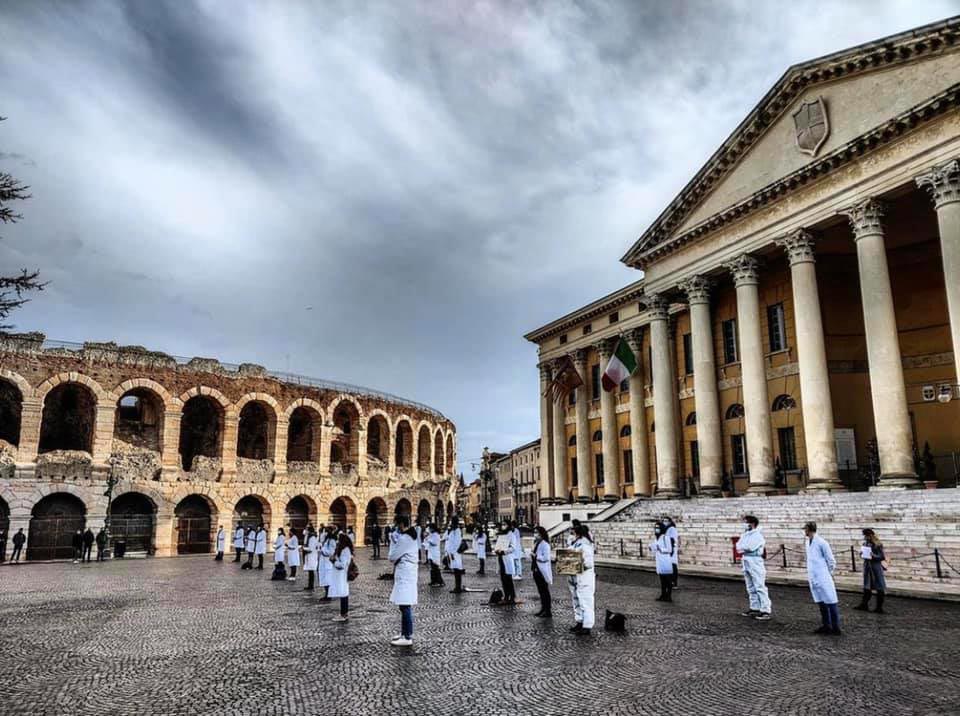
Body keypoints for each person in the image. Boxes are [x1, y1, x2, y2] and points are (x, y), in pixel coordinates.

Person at [804, 522, 840, 636]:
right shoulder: (807, 542)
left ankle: (836, 627)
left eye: (805, 529)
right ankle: (826, 625)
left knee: (831, 601)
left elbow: (831, 560)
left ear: (809, 529)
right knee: (821, 601)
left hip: (823, 576)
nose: (804, 531)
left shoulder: (822, 543)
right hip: (813, 576)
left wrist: (827, 573)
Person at [388, 520, 419, 646]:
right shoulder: (409, 537)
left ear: (402, 525)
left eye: (397, 525)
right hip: (407, 574)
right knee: (403, 605)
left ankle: (407, 636)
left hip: (405, 574)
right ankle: (404, 633)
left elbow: (392, 556)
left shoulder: (405, 538)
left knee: (405, 605)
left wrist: (392, 542)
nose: (396, 527)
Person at [735, 515, 771, 621]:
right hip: (746, 560)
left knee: (759, 586)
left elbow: (750, 547)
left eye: (745, 522)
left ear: (752, 524)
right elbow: (738, 547)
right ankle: (754, 607)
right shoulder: (745, 535)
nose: (744, 524)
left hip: (755, 561)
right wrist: (743, 548)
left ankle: (765, 610)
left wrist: (743, 548)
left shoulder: (758, 536)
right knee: (750, 586)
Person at [570, 523, 595, 635]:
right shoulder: (576, 543)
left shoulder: (585, 544)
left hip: (584, 577)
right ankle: (579, 621)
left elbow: (588, 563)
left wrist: (576, 566)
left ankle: (587, 625)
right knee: (577, 601)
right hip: (575, 577)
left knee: (586, 602)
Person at [856, 528, 887, 614]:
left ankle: (879, 607)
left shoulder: (877, 544)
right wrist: (862, 554)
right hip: (867, 567)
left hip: (875, 568)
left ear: (870, 535)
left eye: (866, 536)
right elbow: (864, 555)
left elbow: (882, 556)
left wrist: (874, 556)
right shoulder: (865, 543)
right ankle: (864, 604)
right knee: (867, 586)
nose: (865, 538)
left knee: (879, 587)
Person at [329, 532, 353, 622]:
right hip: (341, 575)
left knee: (343, 593)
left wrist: (334, 561)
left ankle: (344, 614)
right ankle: (344, 613)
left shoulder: (345, 550)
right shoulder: (344, 549)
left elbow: (342, 564)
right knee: (343, 593)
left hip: (342, 574)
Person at [532, 526, 553, 617]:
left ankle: (547, 610)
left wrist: (536, 556)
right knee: (540, 591)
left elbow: (546, 558)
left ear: (541, 534)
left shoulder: (545, 544)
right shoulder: (537, 543)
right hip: (536, 569)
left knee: (544, 591)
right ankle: (543, 608)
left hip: (542, 571)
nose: (535, 534)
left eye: (537, 533)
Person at [494, 524, 517, 604]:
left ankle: (512, 596)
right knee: (503, 578)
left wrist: (504, 551)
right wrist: (496, 550)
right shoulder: (501, 535)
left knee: (508, 579)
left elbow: (513, 547)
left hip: (507, 558)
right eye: (502, 525)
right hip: (500, 558)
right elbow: (497, 545)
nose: (503, 526)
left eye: (505, 525)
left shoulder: (512, 535)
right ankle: (506, 596)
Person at [653, 522, 675, 602]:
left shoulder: (666, 538)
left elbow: (669, 550)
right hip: (659, 562)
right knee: (662, 580)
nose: (656, 529)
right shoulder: (656, 538)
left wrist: (661, 549)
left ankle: (669, 596)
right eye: (655, 527)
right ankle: (663, 595)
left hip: (665, 561)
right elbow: (655, 548)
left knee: (668, 580)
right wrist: (652, 548)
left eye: (658, 527)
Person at [446, 517, 466, 594]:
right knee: (455, 570)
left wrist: (453, 552)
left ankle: (458, 588)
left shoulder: (457, 531)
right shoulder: (453, 531)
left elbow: (457, 543)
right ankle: (457, 587)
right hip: (452, 553)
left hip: (455, 553)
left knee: (457, 571)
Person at [318, 526, 336, 602]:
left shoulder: (332, 541)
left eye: (325, 532)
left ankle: (329, 596)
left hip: (328, 563)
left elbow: (331, 552)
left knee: (328, 580)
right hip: (323, 562)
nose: (324, 533)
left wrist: (322, 550)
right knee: (324, 580)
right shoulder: (326, 540)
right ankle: (326, 594)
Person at [664, 517, 680, 589]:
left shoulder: (672, 528)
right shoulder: (667, 529)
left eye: (666, 521)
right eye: (664, 521)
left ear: (670, 521)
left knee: (673, 566)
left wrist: (671, 551)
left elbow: (672, 540)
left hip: (671, 549)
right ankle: (671, 582)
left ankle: (674, 583)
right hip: (669, 549)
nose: (665, 522)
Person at [303, 525, 319, 591]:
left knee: (311, 572)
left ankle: (311, 586)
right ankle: (310, 585)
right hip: (309, 556)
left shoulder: (312, 538)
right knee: (310, 572)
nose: (305, 531)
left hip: (311, 556)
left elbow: (311, 549)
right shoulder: (309, 537)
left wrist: (304, 548)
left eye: (306, 529)